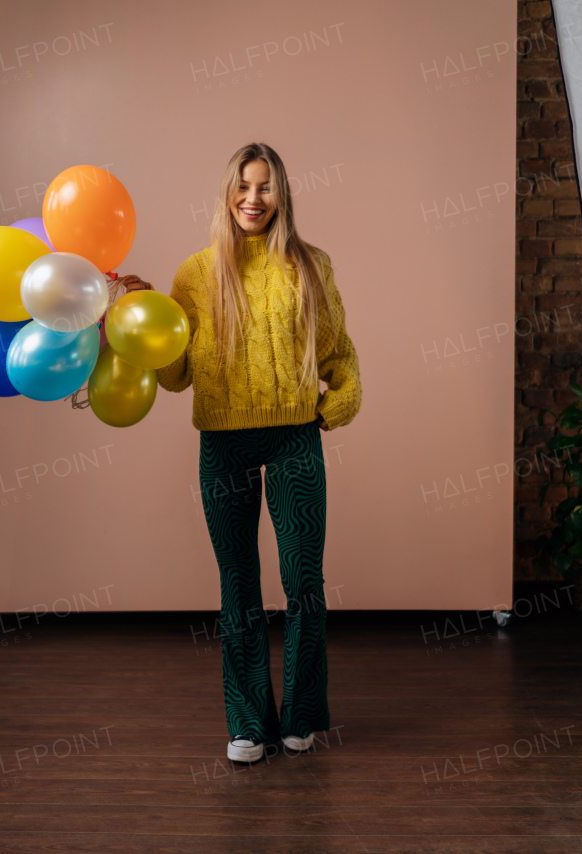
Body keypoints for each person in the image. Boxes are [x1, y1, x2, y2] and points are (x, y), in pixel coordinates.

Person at [118, 142, 361, 762]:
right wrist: (138, 315)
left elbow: (339, 352)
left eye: (267, 187)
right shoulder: (197, 273)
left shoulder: (313, 265)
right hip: (223, 441)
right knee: (239, 582)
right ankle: (249, 722)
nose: (254, 200)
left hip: (293, 437)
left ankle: (301, 716)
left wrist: (336, 405)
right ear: (228, 194)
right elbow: (175, 377)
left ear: (283, 195)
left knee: (304, 582)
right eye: (244, 187)